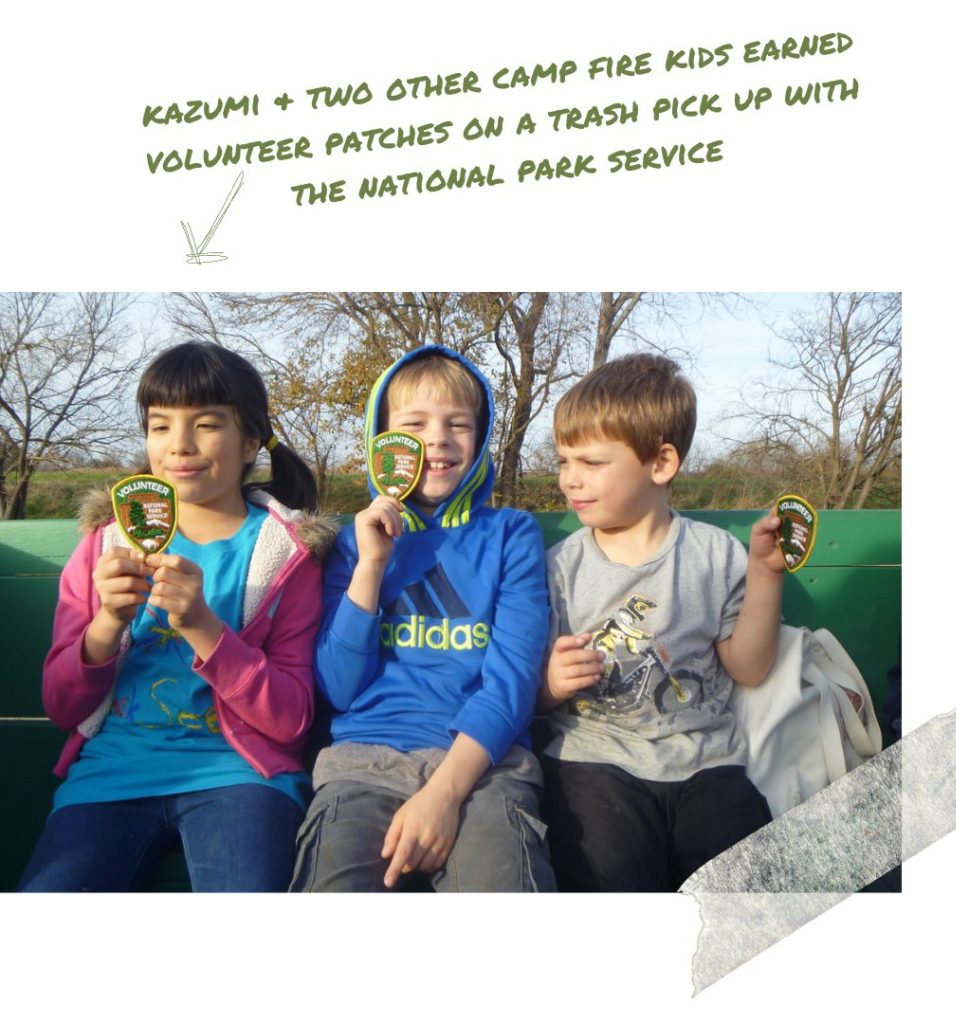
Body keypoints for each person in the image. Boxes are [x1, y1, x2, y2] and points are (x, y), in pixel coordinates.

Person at [18, 342, 334, 893]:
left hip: (243, 777)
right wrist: (106, 626)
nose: (179, 446)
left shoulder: (288, 557)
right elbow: (61, 705)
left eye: (206, 424)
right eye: (160, 426)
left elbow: (292, 720)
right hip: (110, 775)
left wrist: (204, 628)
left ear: (251, 442)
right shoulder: (104, 546)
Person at [292, 344, 555, 892]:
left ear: (479, 441)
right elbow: (339, 689)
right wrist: (371, 566)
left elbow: (510, 685)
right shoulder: (350, 545)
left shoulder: (511, 534)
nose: (437, 438)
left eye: (458, 423)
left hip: (484, 769)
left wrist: (444, 795)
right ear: (379, 441)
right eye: (413, 424)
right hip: (362, 765)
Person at [538, 352, 783, 892]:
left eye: (592, 463)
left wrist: (765, 574)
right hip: (592, 763)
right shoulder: (560, 568)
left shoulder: (714, 555)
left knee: (755, 891)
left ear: (661, 462)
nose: (569, 480)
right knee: (610, 878)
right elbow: (526, 698)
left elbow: (748, 667)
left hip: (707, 763)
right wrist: (549, 684)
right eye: (563, 461)